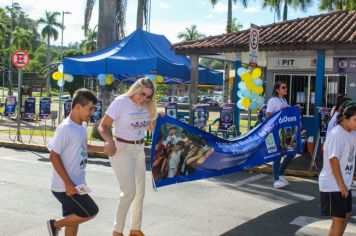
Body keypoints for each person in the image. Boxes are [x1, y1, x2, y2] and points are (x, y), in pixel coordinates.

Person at [98, 77, 158, 236]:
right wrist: (109, 140)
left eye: (148, 96)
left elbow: (147, 126)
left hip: (139, 148)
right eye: (142, 94)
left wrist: (157, 119)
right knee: (129, 192)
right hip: (121, 149)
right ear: (135, 89)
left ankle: (135, 229)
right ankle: (117, 231)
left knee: (140, 192)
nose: (144, 99)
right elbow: (103, 126)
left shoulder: (146, 106)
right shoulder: (120, 102)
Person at [47, 89, 106, 236]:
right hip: (66, 186)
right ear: (78, 106)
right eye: (90, 109)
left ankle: (58, 224)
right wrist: (68, 183)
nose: (92, 112)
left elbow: (83, 146)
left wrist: (103, 149)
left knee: (73, 220)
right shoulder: (65, 128)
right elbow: (54, 156)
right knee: (90, 211)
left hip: (77, 184)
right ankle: (55, 224)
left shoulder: (81, 127)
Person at [319, 101, 356, 236]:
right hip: (333, 184)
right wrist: (341, 185)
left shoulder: (352, 133)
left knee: (345, 216)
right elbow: (333, 160)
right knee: (339, 220)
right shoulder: (337, 134)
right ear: (346, 118)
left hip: (344, 183)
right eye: (355, 119)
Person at [266, 81, 294, 189]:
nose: (286, 88)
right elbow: (268, 116)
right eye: (283, 87)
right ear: (277, 90)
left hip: (286, 131)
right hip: (277, 131)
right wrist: (279, 113)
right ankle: (276, 179)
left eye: (286, 87)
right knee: (277, 156)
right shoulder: (273, 100)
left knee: (291, 153)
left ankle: (280, 173)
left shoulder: (284, 100)